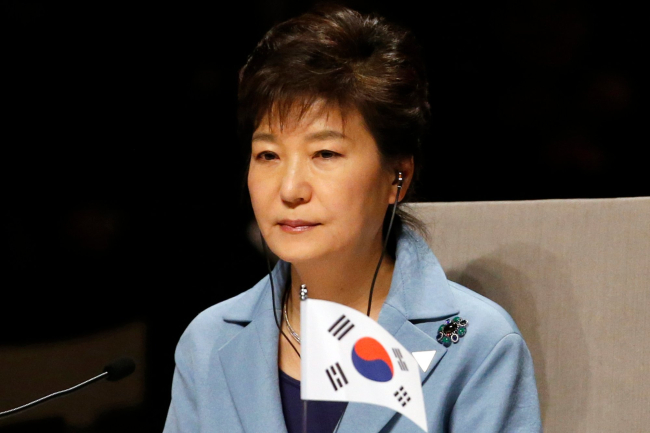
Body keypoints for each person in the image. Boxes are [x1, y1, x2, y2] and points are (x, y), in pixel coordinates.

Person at [163, 5, 542, 433]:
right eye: (268, 155)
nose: (290, 189)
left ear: (397, 177)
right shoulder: (208, 342)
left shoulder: (476, 344)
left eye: (325, 153)